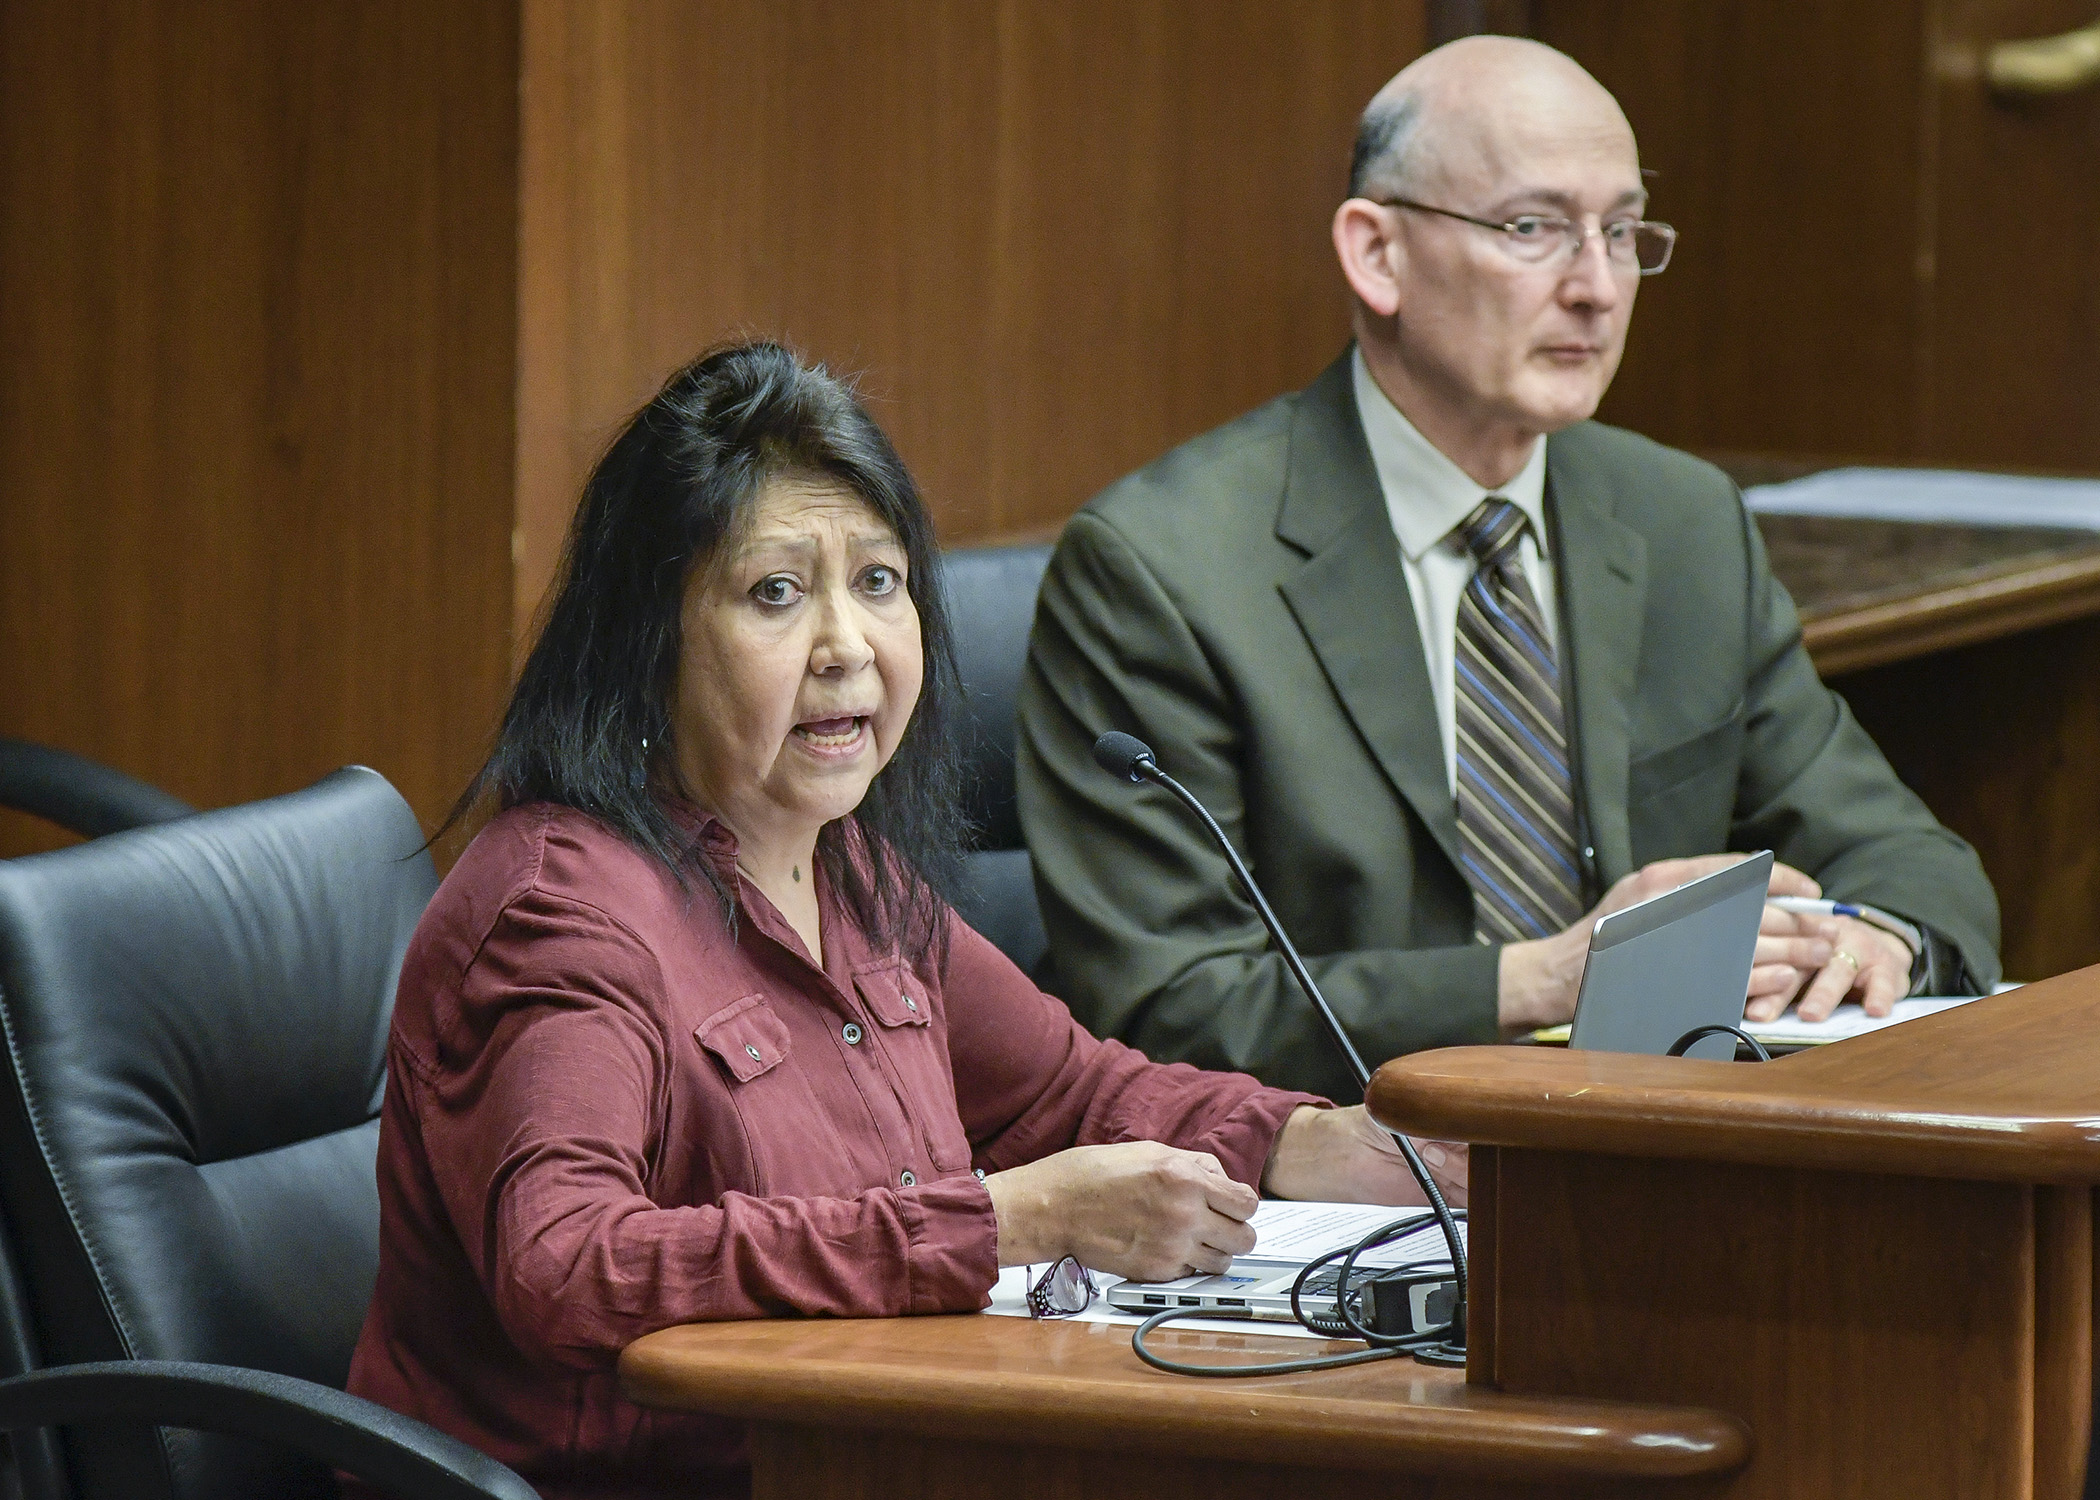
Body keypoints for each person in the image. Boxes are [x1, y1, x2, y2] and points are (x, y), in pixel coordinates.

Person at [345, 342, 1454, 1500]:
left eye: (878, 583)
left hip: (872, 1445)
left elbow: (1065, 1092)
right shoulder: (561, 914)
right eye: (777, 592)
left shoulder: (845, 867)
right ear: (650, 637)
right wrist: (1000, 1222)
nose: (848, 646)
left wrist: (1307, 1144)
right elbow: (568, 1266)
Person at [1015, 36, 2000, 1101]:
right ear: (1377, 253)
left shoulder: (1681, 522)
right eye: (1534, 228)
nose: (1596, 287)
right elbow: (1165, 1005)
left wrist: (1872, 937)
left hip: (1667, 1142)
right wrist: (1546, 978)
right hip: (1347, 1180)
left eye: (1622, 233)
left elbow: (1914, 862)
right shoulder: (1165, 566)